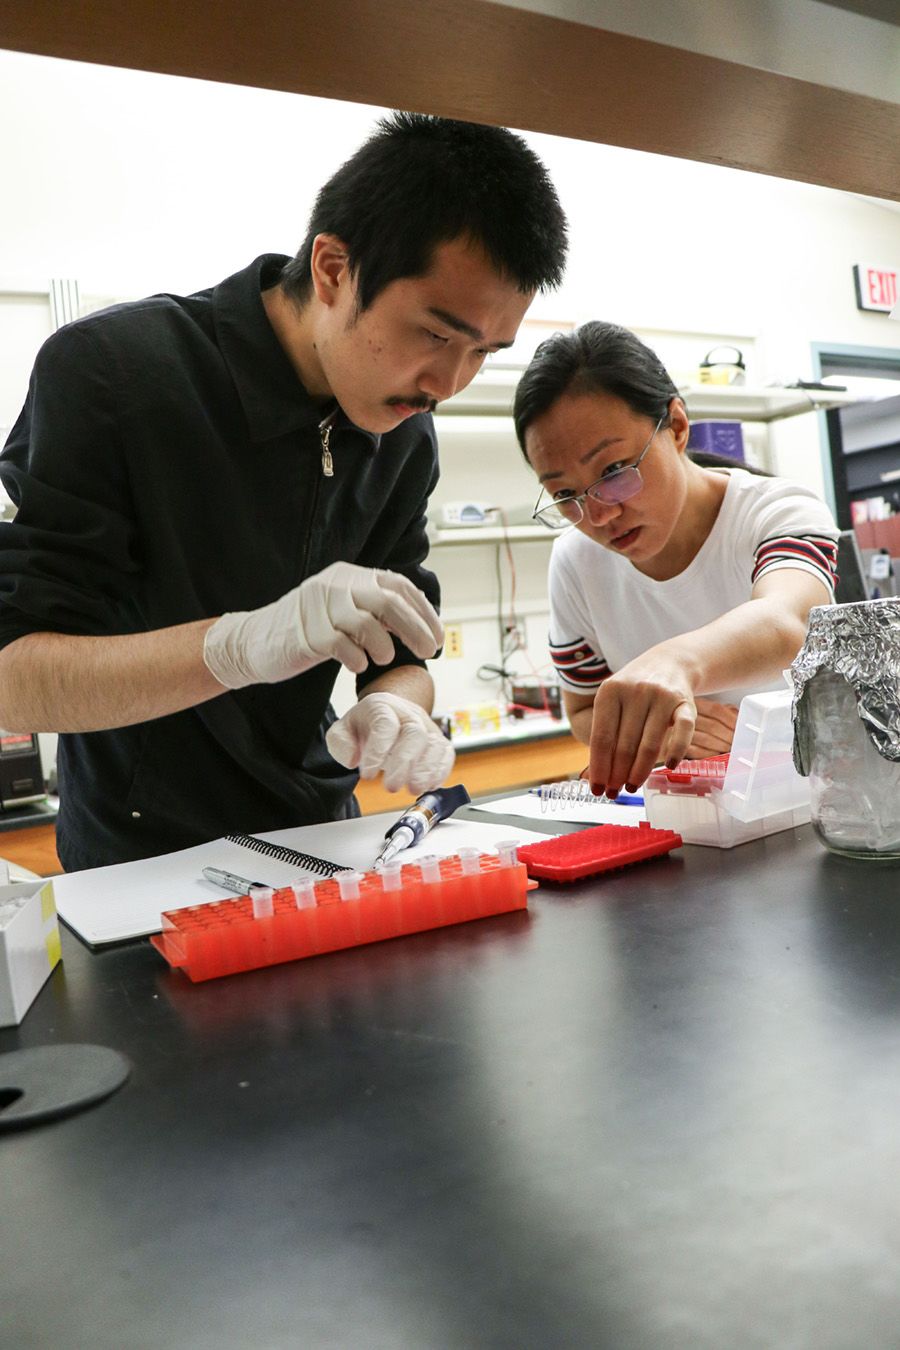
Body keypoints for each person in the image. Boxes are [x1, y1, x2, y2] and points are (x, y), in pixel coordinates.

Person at [0, 112, 568, 870]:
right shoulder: (112, 374)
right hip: (139, 859)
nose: (448, 385)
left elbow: (398, 651)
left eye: (483, 354)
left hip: (322, 837)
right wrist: (236, 646)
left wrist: (397, 704)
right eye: (435, 335)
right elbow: (15, 680)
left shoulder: (402, 436)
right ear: (333, 269)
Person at [514, 321, 838, 799]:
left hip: (808, 798)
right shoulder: (576, 560)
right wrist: (655, 730)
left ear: (678, 427)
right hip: (684, 815)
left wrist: (673, 665)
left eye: (615, 471)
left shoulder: (778, 510)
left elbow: (790, 622)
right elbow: (583, 711)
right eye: (565, 493)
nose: (601, 514)